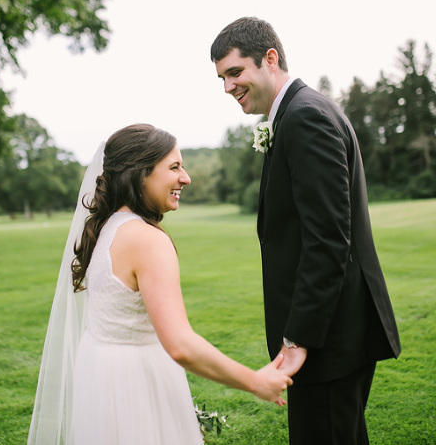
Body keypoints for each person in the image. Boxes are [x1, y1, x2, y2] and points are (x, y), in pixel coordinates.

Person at [27, 123, 292, 445]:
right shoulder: (147, 240)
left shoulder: (110, 227)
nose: (186, 178)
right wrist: (254, 381)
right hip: (136, 385)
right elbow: (180, 344)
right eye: (174, 167)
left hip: (102, 378)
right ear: (141, 173)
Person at [210, 17, 402, 444]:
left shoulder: (304, 117)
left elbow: (328, 239)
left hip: (328, 339)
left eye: (235, 72)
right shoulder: (301, 111)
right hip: (334, 333)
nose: (227, 87)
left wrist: (298, 338)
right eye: (221, 78)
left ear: (270, 58)